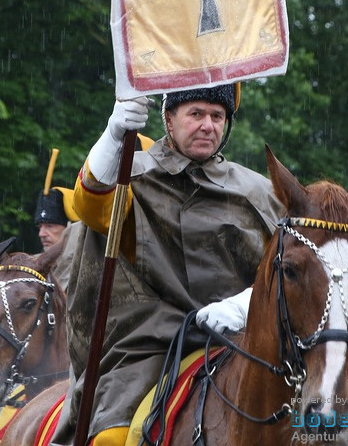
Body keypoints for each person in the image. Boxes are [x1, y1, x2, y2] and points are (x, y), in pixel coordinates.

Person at [52, 84, 283, 446]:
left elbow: (290, 271)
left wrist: (247, 305)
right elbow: (92, 208)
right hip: (148, 344)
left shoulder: (262, 192)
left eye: (217, 116)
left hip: (241, 340)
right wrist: (114, 134)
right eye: (196, 114)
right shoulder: (130, 173)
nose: (208, 125)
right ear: (169, 119)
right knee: (111, 438)